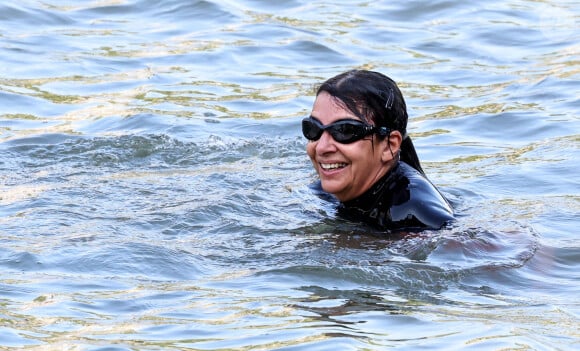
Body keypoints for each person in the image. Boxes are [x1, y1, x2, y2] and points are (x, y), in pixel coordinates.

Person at [302, 69, 454, 231]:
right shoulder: (325, 190)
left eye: (345, 130)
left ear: (390, 145)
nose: (322, 147)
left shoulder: (416, 216)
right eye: (313, 129)